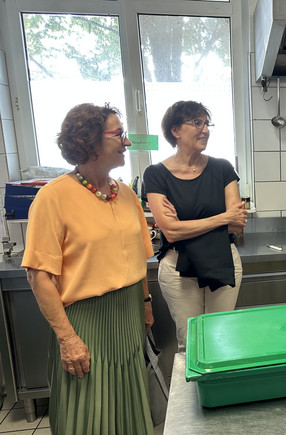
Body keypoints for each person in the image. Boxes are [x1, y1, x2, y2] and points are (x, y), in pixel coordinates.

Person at [21, 104, 155, 433]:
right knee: (88, 413)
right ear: (90, 141)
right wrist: (68, 339)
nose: (126, 142)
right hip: (85, 323)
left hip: (128, 315)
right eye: (119, 135)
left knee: (128, 404)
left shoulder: (125, 195)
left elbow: (138, 259)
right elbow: (39, 276)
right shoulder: (53, 198)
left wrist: (146, 303)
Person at [142, 100, 247, 351]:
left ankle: (218, 391)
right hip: (178, 267)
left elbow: (237, 225)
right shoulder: (155, 174)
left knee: (221, 336)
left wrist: (187, 224)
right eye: (197, 123)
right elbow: (171, 231)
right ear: (175, 130)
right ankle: (193, 392)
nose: (206, 130)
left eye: (207, 123)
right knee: (189, 342)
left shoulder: (222, 167)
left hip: (223, 260)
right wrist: (221, 218)